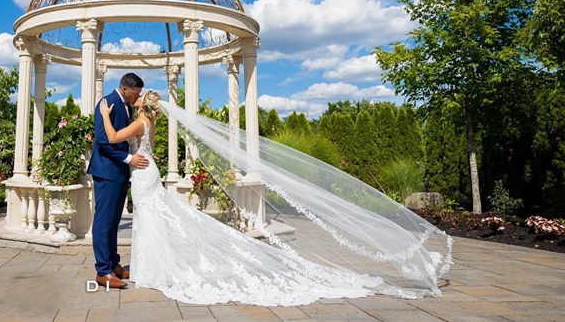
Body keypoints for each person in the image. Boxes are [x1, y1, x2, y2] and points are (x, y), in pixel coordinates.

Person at [99, 90, 451, 306]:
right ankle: (148, 267)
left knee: (153, 219)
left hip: (142, 175)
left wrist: (103, 116)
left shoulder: (138, 123)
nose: (137, 99)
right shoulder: (150, 122)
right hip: (146, 173)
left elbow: (113, 138)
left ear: (144, 104)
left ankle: (151, 268)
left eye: (140, 98)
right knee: (154, 220)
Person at [87, 72, 148, 290]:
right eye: (136, 92)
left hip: (119, 173)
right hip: (107, 172)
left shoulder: (125, 105)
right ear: (125, 89)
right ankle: (103, 271)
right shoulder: (108, 102)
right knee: (104, 222)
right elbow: (104, 140)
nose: (137, 96)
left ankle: (114, 264)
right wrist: (129, 158)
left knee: (113, 221)